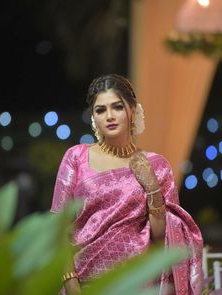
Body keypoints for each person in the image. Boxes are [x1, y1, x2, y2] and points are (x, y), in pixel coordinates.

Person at [51, 74, 203, 295]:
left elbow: (163, 236)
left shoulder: (156, 165)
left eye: (117, 107)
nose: (109, 116)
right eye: (100, 110)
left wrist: (151, 185)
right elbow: (58, 225)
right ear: (93, 117)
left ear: (132, 110)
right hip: (85, 283)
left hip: (138, 283)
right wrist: (70, 281)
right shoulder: (76, 157)